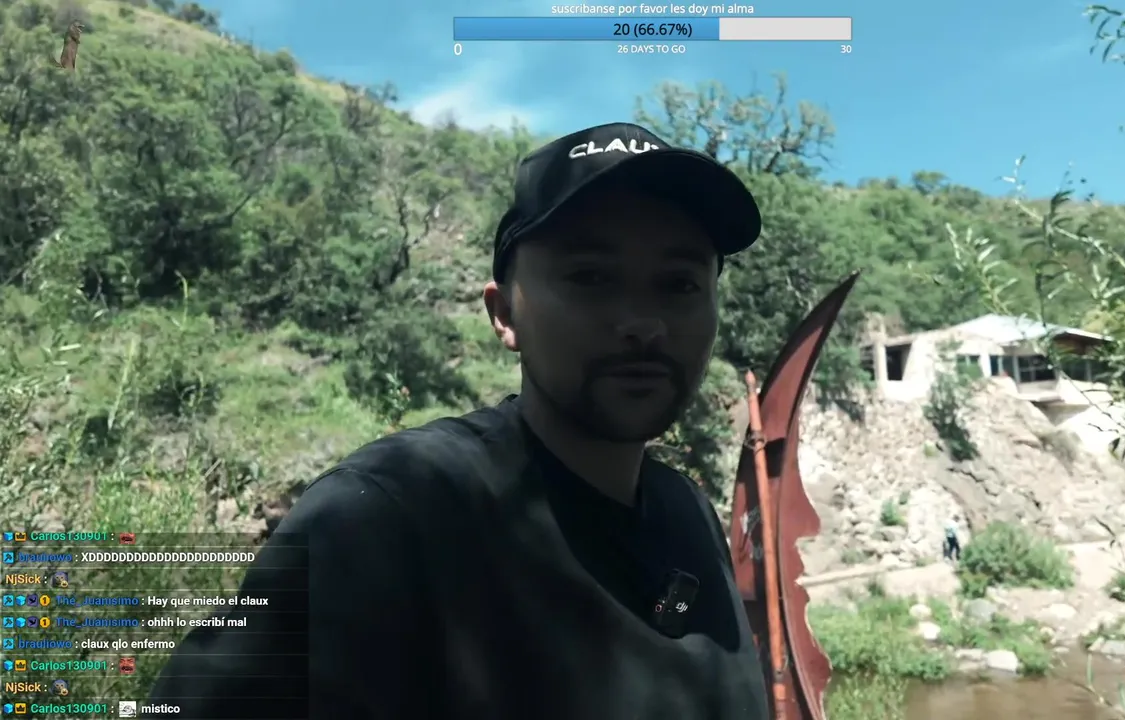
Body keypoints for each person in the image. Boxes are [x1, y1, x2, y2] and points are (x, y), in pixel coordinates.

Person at [146, 122, 770, 719]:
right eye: (591, 277)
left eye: (679, 285)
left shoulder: (689, 514)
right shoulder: (390, 516)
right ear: (504, 315)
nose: (643, 322)